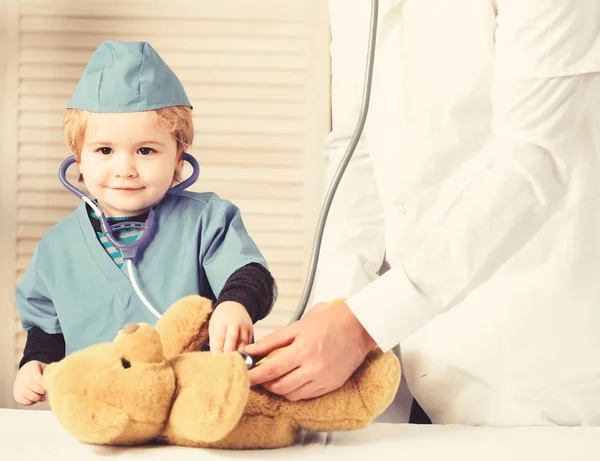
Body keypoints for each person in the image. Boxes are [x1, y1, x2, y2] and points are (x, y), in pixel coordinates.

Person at [245, 0, 600, 426]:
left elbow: (534, 159)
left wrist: (363, 323)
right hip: (414, 355)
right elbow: (356, 146)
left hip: (538, 365)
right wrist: (334, 307)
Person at [13, 41, 276, 407]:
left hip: (187, 405)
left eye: (146, 150)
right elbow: (46, 328)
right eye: (104, 150)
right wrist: (34, 364)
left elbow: (250, 274)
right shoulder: (57, 249)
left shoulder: (207, 220)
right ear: (79, 160)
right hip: (98, 413)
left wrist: (236, 304)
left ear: (178, 157)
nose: (125, 169)